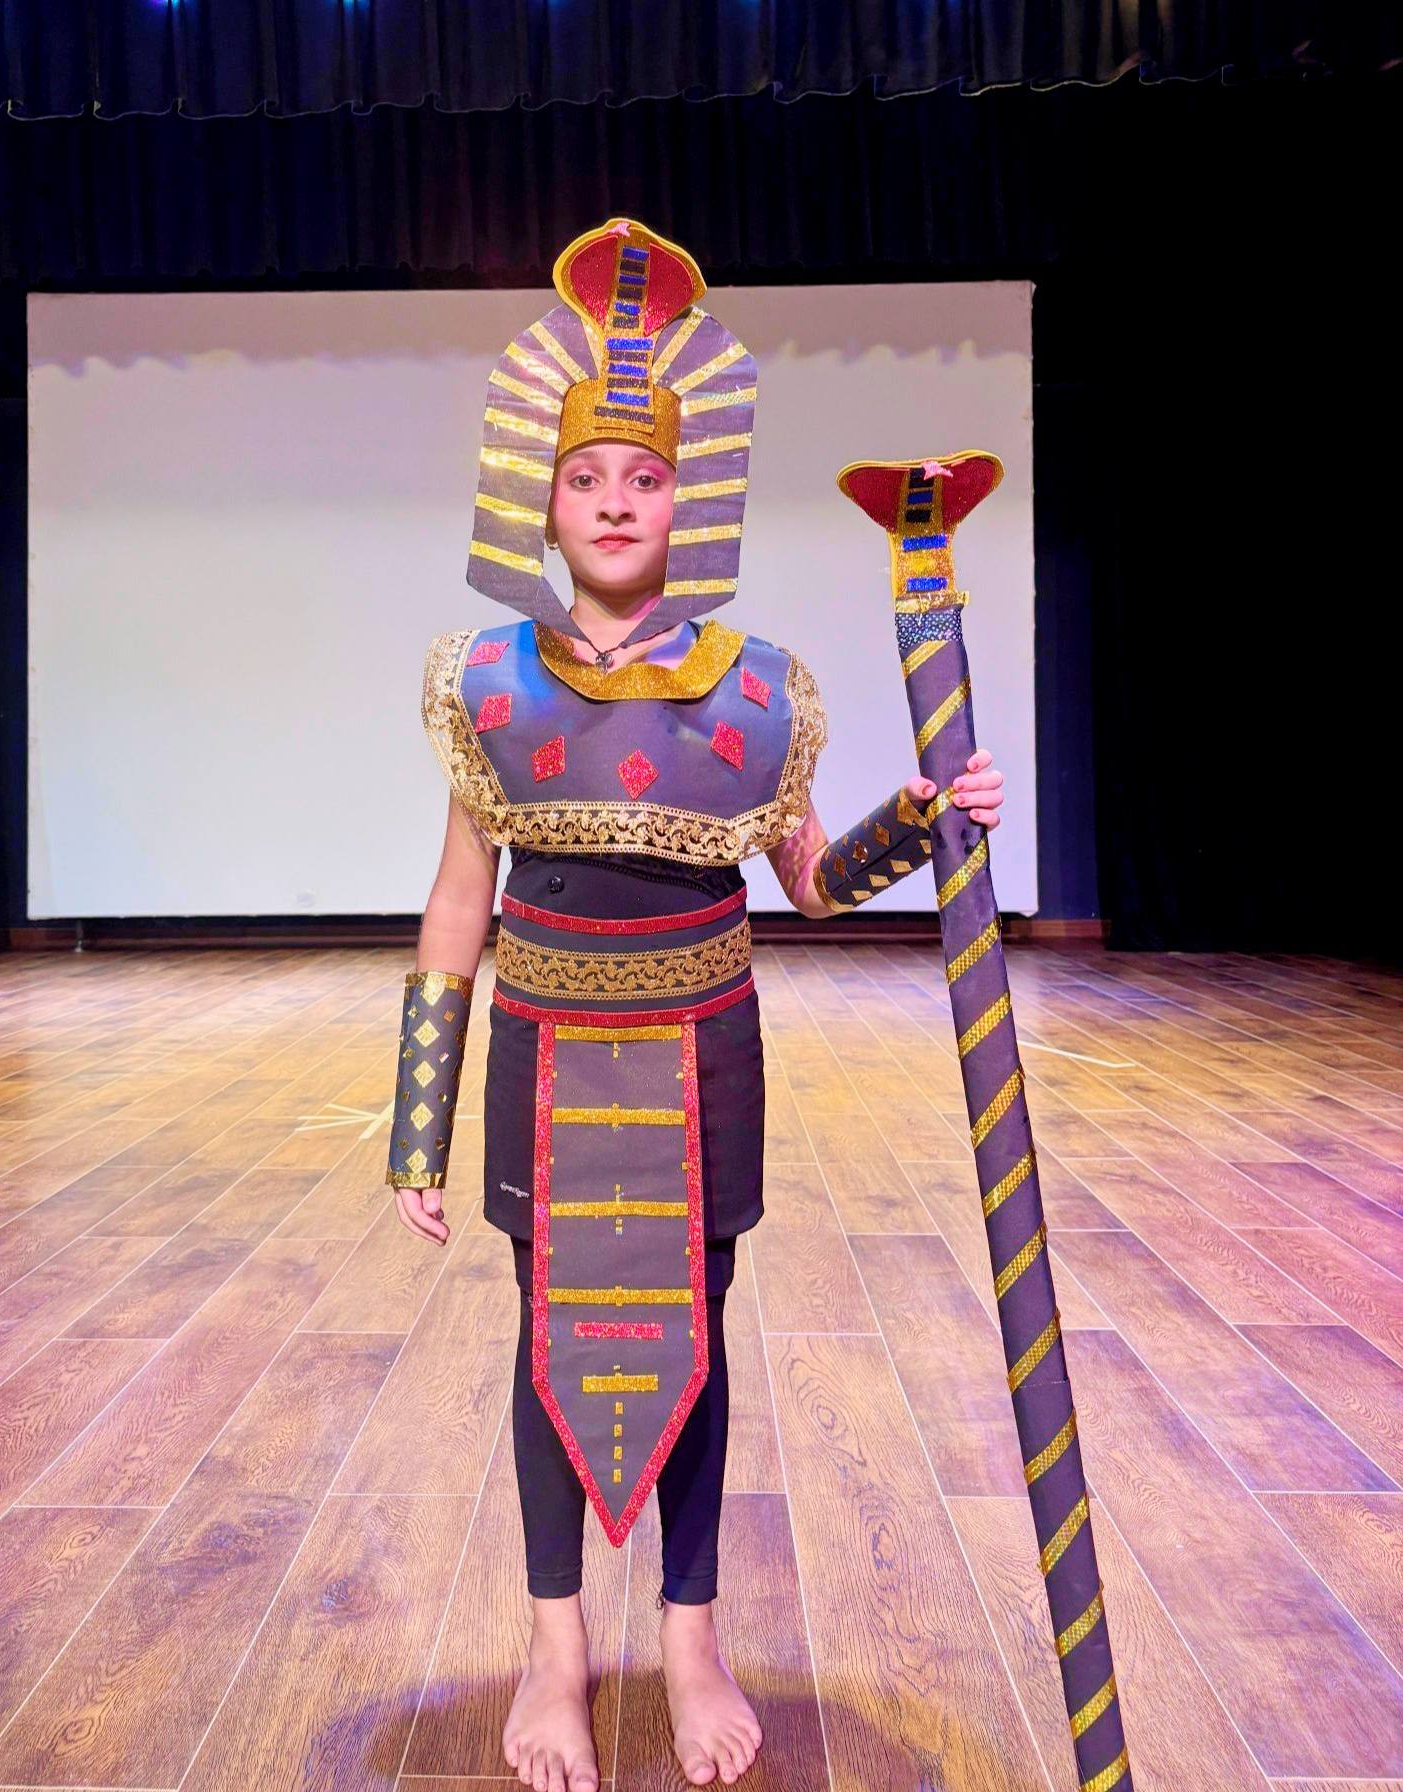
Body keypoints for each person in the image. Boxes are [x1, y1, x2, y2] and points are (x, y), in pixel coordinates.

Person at [386, 219, 1004, 1792]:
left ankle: (692, 1637)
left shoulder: (763, 688)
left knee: (699, 1339)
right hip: (541, 1055)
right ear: (543, 499)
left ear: (688, 497)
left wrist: (921, 818)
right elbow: (459, 903)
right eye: (587, 477)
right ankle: (553, 1652)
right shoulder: (485, 683)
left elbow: (815, 883)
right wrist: (414, 1125)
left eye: (643, 477)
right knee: (548, 1334)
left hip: (703, 1057)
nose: (614, 501)